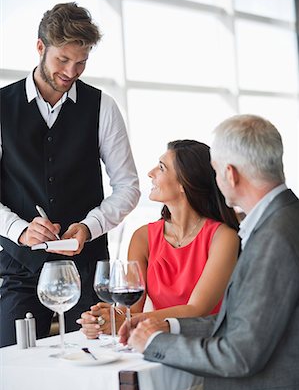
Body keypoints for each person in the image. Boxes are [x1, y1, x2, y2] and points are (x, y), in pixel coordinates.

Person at [119, 115, 299, 390]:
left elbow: (238, 355)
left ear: (229, 174)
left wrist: (156, 342)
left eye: (215, 170)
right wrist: (169, 324)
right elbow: (239, 323)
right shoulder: (282, 221)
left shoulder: (274, 237)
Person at [0, 2, 140, 347]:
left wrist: (89, 227)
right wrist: (20, 231)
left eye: (81, 63)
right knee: (12, 365)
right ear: (40, 47)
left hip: (88, 268)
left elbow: (128, 187)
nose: (71, 72)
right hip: (21, 270)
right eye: (62, 60)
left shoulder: (102, 107)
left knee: (94, 359)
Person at [77, 140, 240, 338]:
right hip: (157, 342)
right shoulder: (143, 237)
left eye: (161, 168)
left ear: (184, 183)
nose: (151, 173)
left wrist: (129, 321)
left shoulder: (223, 237)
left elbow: (197, 309)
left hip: (208, 345)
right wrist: (103, 319)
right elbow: (130, 309)